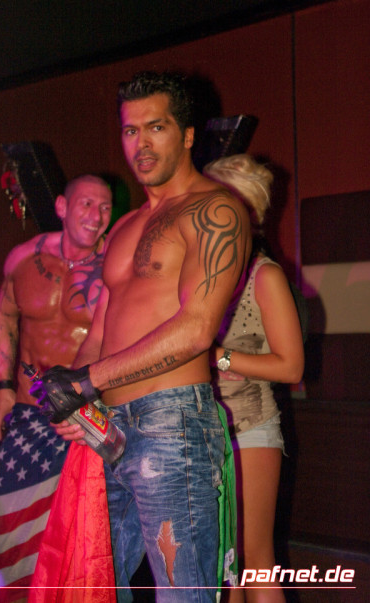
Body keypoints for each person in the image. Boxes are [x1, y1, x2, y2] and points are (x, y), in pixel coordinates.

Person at [30, 71, 252, 603]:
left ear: (188, 134)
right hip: (108, 429)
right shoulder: (126, 226)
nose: (141, 144)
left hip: (173, 426)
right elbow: (102, 327)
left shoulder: (215, 211)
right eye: (131, 131)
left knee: (183, 595)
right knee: (88, 584)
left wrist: (88, 380)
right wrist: (72, 397)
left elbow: (196, 329)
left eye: (156, 127)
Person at [0, 174, 113, 602]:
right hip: (28, 411)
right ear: (61, 206)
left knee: (81, 543)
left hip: (86, 417)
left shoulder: (116, 264)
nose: (96, 216)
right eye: (86, 204)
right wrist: (3, 385)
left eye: (105, 207)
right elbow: (4, 317)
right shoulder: (24, 258)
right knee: (13, 537)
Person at [204, 154, 305, 602]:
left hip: (250, 429)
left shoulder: (265, 276)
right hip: (202, 431)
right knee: (221, 564)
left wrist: (219, 358)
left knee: (254, 560)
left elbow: (291, 367)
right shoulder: (202, 273)